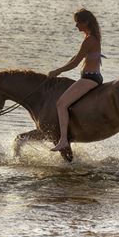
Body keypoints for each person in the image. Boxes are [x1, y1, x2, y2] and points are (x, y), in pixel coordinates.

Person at [48, 8, 104, 152]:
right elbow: (75, 58)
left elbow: (75, 63)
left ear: (85, 22)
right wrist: (60, 67)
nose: (76, 26)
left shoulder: (89, 40)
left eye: (78, 22)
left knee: (61, 104)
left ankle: (63, 140)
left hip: (90, 78)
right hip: (92, 77)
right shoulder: (91, 37)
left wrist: (57, 71)